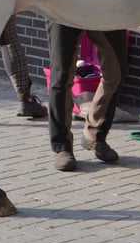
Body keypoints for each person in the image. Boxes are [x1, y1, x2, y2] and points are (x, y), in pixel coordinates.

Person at [47, 24, 128, 171]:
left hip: (105, 8)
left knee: (115, 72)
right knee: (61, 76)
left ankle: (95, 133)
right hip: (63, 8)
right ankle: (62, 146)